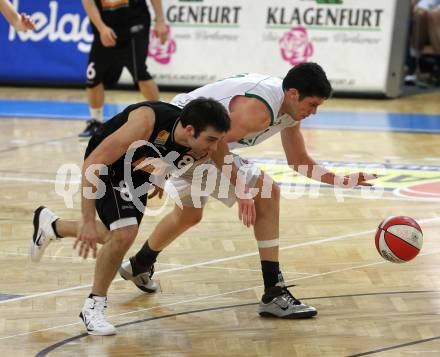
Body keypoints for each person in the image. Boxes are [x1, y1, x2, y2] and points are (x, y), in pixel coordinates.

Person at [118, 63, 377, 319]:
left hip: (188, 140)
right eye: (313, 105)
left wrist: (342, 181)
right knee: (267, 191)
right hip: (184, 140)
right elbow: (214, 141)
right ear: (294, 94)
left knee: (189, 215)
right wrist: (239, 189)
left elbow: (298, 160)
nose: (314, 112)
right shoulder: (256, 110)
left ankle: (140, 264)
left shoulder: (288, 110)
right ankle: (274, 292)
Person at [29, 98, 241, 336]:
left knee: (118, 237)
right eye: (211, 140)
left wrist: (162, 173)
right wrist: (87, 220)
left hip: (136, 171)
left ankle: (53, 226)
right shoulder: (146, 120)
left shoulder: (201, 141)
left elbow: (192, 159)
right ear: (190, 130)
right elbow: (93, 163)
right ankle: (93, 306)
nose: (214, 147)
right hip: (107, 166)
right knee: (124, 234)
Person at [79, 0, 168, 138]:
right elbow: (88, 2)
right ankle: (96, 121)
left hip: (135, 22)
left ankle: (162, 119)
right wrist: (101, 28)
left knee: (140, 71)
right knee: (93, 76)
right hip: (106, 25)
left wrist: (160, 20)